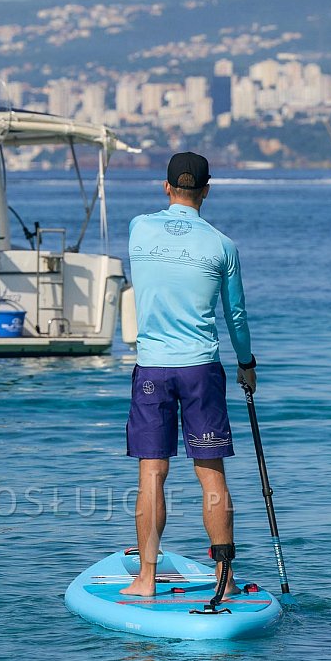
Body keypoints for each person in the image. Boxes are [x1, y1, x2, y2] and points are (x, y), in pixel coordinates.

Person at [120, 151, 258, 598]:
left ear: (166, 188)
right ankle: (225, 578)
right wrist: (247, 363)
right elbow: (235, 316)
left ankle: (146, 578)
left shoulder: (138, 229)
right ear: (207, 191)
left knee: (152, 474)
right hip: (201, 368)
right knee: (210, 473)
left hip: (153, 369)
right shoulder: (222, 245)